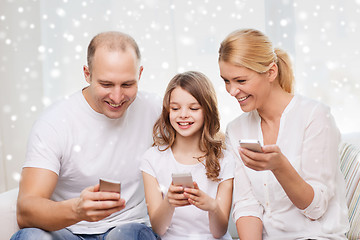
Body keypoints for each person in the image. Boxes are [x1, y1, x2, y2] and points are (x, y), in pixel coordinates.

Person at [11, 31, 161, 240]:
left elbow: (205, 135)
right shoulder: (54, 122)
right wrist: (77, 210)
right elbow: (26, 210)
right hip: (68, 231)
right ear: (87, 73)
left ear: (140, 74)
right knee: (30, 237)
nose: (117, 97)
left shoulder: (156, 110)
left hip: (128, 228)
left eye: (127, 84)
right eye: (106, 84)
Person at [218, 28, 349, 239]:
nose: (232, 91)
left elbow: (316, 209)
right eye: (226, 81)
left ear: (271, 72)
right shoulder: (236, 130)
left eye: (240, 81)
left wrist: (280, 167)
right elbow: (247, 205)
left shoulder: (315, 117)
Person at [140, 71, 234, 240]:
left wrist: (212, 206)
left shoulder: (225, 159)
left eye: (193, 108)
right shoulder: (152, 159)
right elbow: (159, 229)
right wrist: (169, 202)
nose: (183, 114)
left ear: (208, 111)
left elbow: (219, 232)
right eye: (175, 108)